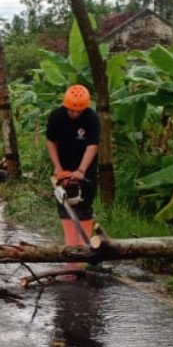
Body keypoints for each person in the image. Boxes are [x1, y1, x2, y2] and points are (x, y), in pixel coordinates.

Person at [46, 84, 99, 269]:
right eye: (72, 110)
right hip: (64, 167)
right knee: (65, 209)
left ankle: (84, 253)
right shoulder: (57, 116)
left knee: (84, 208)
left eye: (79, 111)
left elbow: (92, 146)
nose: (75, 114)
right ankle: (70, 255)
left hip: (85, 169)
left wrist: (81, 171)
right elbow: (51, 141)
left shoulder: (91, 118)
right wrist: (58, 167)